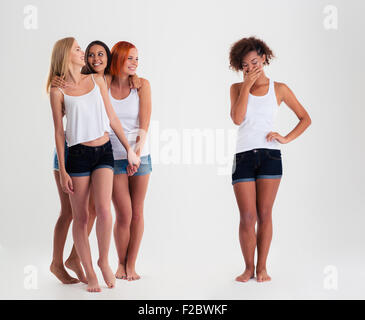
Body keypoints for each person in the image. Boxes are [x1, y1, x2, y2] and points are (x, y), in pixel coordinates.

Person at [47, 37, 140, 292]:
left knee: (102, 209)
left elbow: (111, 117)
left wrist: (130, 150)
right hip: (76, 154)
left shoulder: (97, 80)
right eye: (79, 49)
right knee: (79, 216)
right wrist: (63, 169)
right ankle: (87, 270)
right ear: (66, 56)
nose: (84, 53)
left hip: (104, 152)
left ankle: (102, 261)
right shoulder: (57, 90)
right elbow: (58, 132)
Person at [229, 36, 311, 282]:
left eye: (254, 62)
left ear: (264, 57)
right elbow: (237, 118)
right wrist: (245, 86)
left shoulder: (280, 88)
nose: (251, 68)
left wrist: (285, 138)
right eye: (245, 65)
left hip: (270, 156)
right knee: (247, 216)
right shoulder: (235, 88)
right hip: (243, 155)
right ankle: (248, 268)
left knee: (264, 214)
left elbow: (305, 118)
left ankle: (262, 268)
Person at [107, 41, 152, 281]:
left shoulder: (142, 85)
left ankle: (132, 264)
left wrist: (136, 152)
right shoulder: (104, 83)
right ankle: (120, 263)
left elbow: (144, 124)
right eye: (130, 58)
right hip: (113, 156)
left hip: (140, 155)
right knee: (123, 213)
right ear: (118, 59)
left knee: (137, 212)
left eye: (137, 59)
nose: (135, 63)